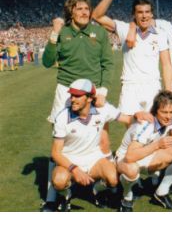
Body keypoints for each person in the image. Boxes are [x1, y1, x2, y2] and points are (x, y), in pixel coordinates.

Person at [42, 0, 114, 210]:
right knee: (58, 142)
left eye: (87, 9)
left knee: (101, 139)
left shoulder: (99, 32)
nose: (84, 12)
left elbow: (108, 63)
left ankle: (98, 189)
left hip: (92, 93)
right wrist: (54, 34)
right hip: (65, 90)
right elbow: (47, 62)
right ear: (70, 11)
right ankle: (52, 197)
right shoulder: (62, 32)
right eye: (79, 8)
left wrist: (102, 91)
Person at [48, 79, 152, 212]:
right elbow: (56, 153)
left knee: (113, 180)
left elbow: (127, 119)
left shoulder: (103, 109)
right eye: (72, 95)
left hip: (94, 159)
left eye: (78, 96)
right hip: (70, 160)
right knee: (59, 181)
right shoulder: (62, 117)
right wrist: (75, 169)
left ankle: (95, 190)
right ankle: (66, 195)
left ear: (90, 98)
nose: (73, 99)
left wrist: (137, 115)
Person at [92, 0, 172, 122]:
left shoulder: (161, 34)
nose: (144, 16)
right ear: (134, 14)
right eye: (140, 12)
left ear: (152, 14)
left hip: (152, 86)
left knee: (154, 131)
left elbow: (166, 64)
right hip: (130, 86)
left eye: (147, 12)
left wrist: (169, 91)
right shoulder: (124, 29)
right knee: (132, 132)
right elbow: (96, 16)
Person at [115, 90, 172, 212]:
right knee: (132, 169)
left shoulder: (169, 120)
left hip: (146, 154)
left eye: (171, 112)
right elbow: (129, 157)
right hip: (124, 158)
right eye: (164, 112)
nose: (168, 116)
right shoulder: (146, 125)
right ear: (155, 111)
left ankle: (161, 192)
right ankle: (127, 197)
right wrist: (157, 145)